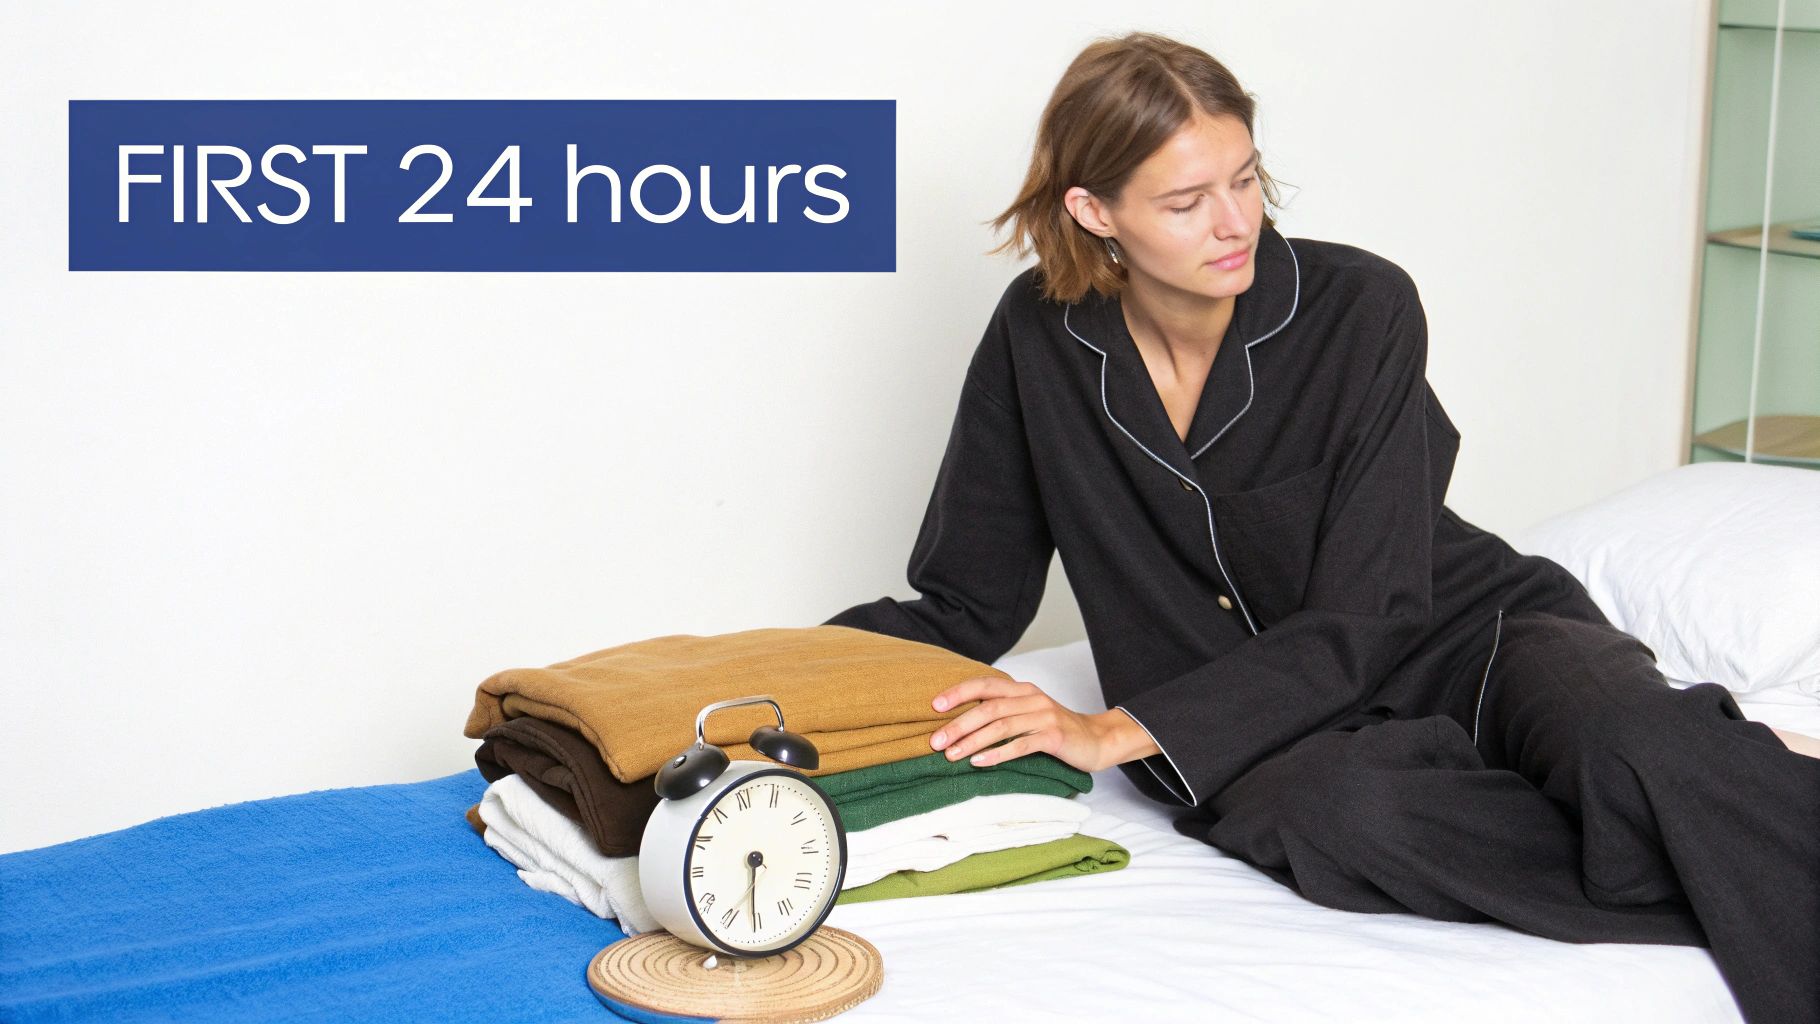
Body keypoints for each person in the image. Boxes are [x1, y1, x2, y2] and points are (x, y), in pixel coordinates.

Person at [821, 30, 1820, 1024]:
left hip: (1473, 639)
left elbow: (1370, 609)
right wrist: (777, 677)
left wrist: (1110, 732)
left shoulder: (1360, 307)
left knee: (1641, 745)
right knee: (1344, 818)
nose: (1234, 223)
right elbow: (965, 600)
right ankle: (1728, 813)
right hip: (1258, 728)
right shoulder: (1036, 337)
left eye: (1244, 179)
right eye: (1186, 202)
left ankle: (1699, 784)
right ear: (1095, 212)